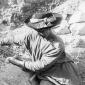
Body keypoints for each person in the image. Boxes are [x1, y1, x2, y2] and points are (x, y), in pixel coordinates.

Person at [0, 12, 81, 85]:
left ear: (50, 28)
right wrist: (1, 41)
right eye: (38, 30)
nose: (41, 33)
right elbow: (13, 39)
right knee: (32, 79)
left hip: (60, 72)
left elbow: (39, 65)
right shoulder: (32, 34)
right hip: (43, 67)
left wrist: (17, 62)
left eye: (44, 30)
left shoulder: (57, 44)